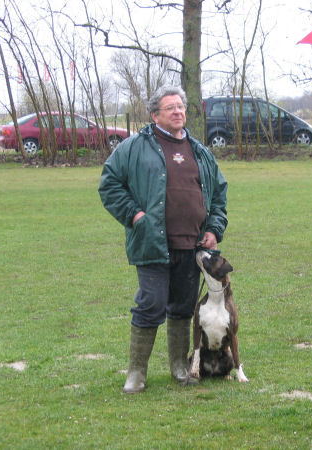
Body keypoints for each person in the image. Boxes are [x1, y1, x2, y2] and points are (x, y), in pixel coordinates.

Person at [98, 85, 228, 393]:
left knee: (183, 308)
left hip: (193, 245)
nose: (178, 112)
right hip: (152, 244)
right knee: (151, 304)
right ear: (155, 114)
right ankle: (136, 373)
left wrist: (214, 228)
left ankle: (180, 367)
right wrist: (135, 216)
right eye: (170, 108)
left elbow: (219, 193)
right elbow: (109, 185)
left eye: (181, 107)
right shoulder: (133, 147)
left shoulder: (200, 151)